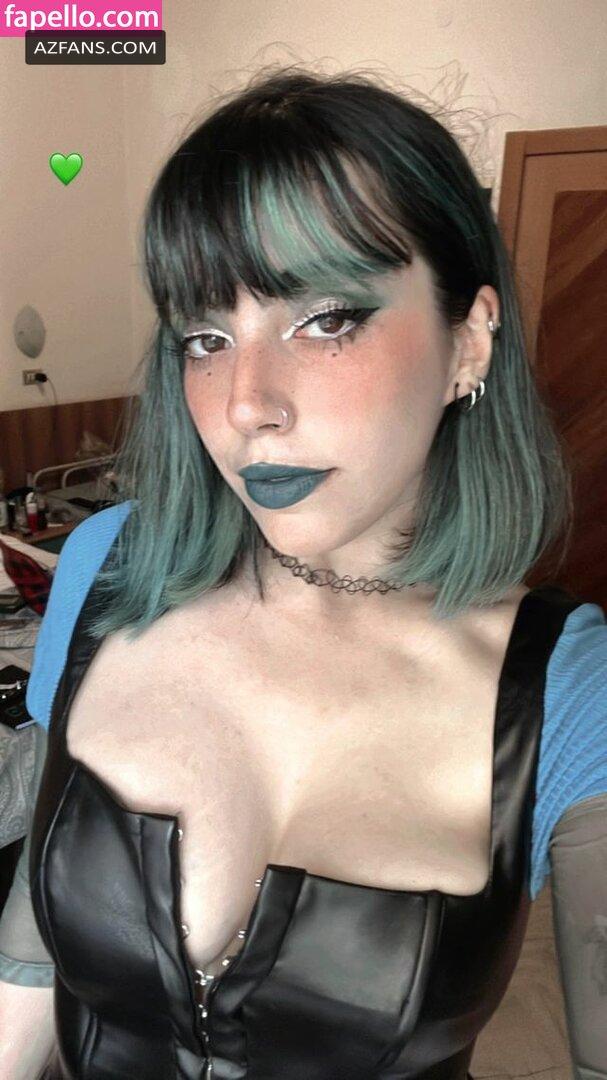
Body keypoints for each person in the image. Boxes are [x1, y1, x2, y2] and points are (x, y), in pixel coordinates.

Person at [0, 66, 606, 1080]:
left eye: (325, 319)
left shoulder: (571, 689)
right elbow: (32, 928)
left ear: (469, 339)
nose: (246, 404)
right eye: (205, 337)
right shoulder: (111, 567)